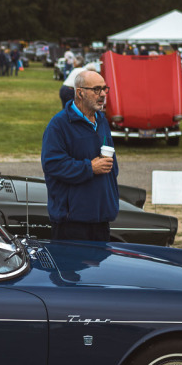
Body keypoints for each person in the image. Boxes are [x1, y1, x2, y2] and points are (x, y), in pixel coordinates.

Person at [41, 68, 119, 241]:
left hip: (101, 219)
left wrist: (111, 202)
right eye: (96, 89)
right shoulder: (59, 125)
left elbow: (112, 165)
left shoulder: (101, 121)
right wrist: (89, 168)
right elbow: (52, 165)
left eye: (105, 89)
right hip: (72, 223)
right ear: (80, 93)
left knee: (101, 269)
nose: (103, 94)